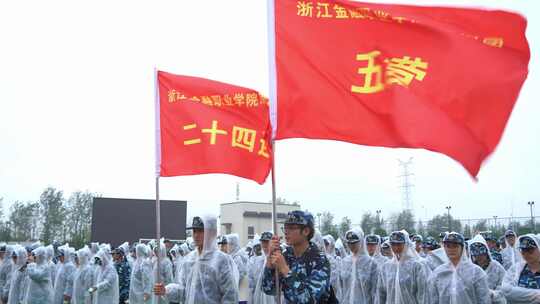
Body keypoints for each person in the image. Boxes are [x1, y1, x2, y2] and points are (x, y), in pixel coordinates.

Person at [154, 215, 239, 303]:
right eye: (194, 231)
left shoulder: (221, 260)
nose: (196, 235)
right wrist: (166, 291)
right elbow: (184, 291)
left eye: (201, 231)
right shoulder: (189, 260)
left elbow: (230, 295)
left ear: (212, 233)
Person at [262, 210, 332, 303]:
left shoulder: (319, 260)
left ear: (306, 231)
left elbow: (309, 300)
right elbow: (269, 289)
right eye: (285, 227)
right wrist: (269, 261)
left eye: (291, 228)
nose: (286, 232)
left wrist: (285, 269)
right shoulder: (286, 255)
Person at [428, 232, 491, 303]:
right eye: (448, 246)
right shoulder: (438, 273)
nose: (451, 249)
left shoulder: (476, 272)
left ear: (462, 248)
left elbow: (484, 299)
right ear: (444, 248)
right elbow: (434, 299)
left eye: (455, 246)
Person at [376, 230, 429, 304]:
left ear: (406, 244)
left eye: (399, 244)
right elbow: (380, 294)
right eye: (393, 244)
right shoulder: (386, 267)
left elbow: (423, 294)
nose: (396, 248)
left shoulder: (416, 266)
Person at [341, 228, 378, 304]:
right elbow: (342, 287)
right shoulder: (345, 262)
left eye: (354, 243)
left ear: (361, 241)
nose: (351, 245)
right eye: (349, 243)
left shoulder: (370, 263)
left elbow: (374, 290)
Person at [501, 234, 540, 303]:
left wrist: (519, 293)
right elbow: (506, 290)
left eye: (530, 250)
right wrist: (536, 295)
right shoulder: (516, 269)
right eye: (523, 250)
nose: (526, 254)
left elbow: (512, 293)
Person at [468, 235, 507, 304]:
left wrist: (492, 294)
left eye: (482, 254)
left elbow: (504, 285)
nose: (479, 257)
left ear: (486, 252)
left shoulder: (496, 267)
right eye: (476, 255)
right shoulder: (469, 269)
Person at [249, 231, 275, 304]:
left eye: (267, 242)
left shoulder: (276, 259)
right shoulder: (258, 260)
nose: (264, 245)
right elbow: (254, 281)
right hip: (259, 297)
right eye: (263, 242)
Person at [323, 234, 343, 301]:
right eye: (324, 244)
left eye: (327, 244)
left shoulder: (337, 259)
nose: (325, 246)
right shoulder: (321, 258)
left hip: (336, 291)